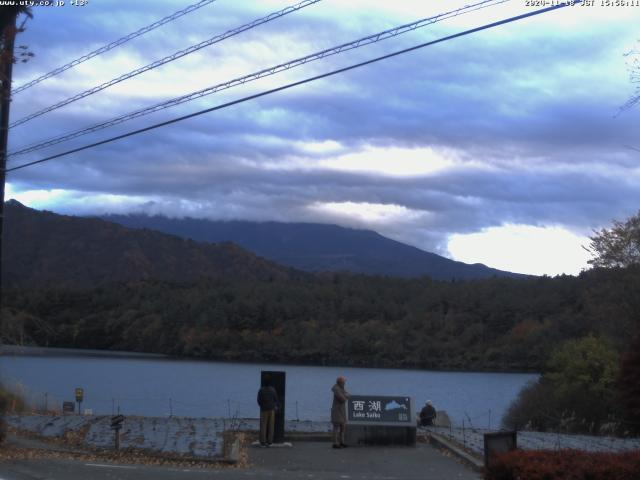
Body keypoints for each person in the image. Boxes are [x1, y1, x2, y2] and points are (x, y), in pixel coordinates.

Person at [257, 375, 279, 446]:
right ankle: (270, 441)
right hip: (271, 409)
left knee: (263, 425)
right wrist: (275, 406)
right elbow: (276, 399)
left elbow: (259, 400)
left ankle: (263, 441)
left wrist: (261, 405)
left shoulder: (261, 390)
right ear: (270, 383)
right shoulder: (273, 390)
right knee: (271, 425)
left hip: (264, 409)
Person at [331, 375, 350, 449]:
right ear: (340, 382)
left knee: (343, 427)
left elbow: (347, 395)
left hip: (341, 411)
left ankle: (342, 442)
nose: (345, 383)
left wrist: (346, 395)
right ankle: (335, 443)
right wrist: (346, 396)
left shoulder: (341, 388)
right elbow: (343, 399)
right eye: (344, 382)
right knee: (336, 428)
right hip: (337, 411)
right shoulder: (336, 389)